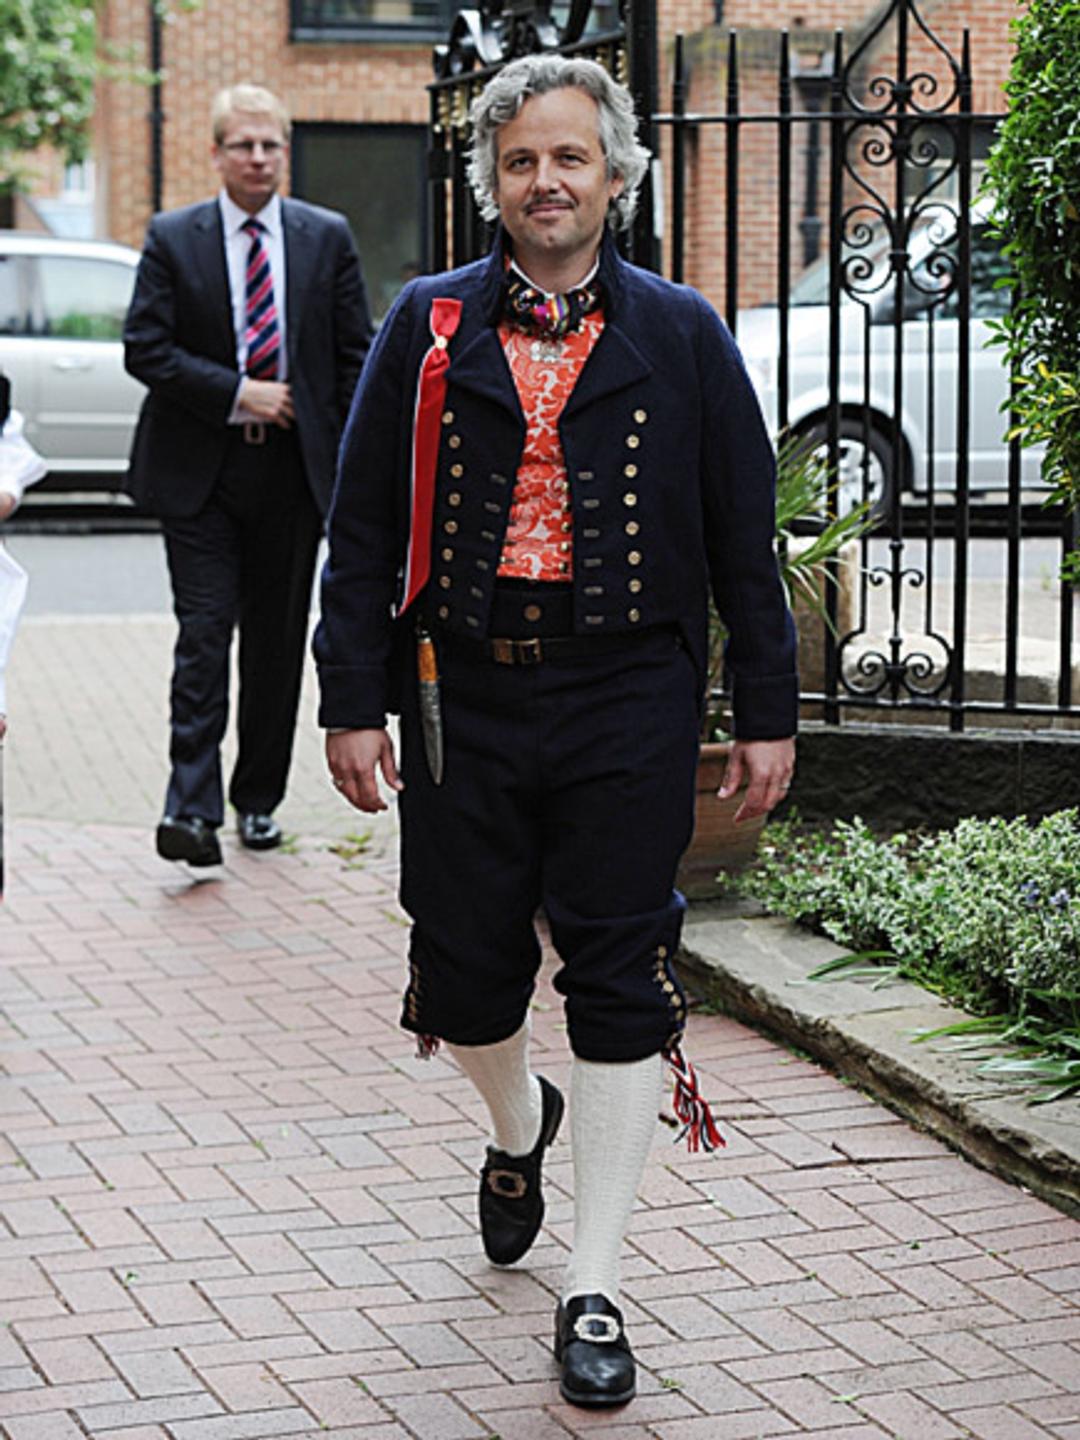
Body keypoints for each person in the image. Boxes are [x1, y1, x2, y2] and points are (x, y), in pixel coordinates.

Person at [315, 54, 797, 1408]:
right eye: (522, 160)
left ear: (616, 176)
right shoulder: (426, 323)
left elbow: (742, 536)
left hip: (629, 695)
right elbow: (362, 527)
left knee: (620, 971)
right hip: (459, 692)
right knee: (464, 970)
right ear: (493, 181)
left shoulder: (684, 332)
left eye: (570, 157)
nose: (547, 182)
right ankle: (520, 1119)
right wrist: (348, 699)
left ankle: (594, 1284)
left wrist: (767, 710)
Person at [124, 82, 373, 870]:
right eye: (243, 145)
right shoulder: (174, 237)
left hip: (292, 477)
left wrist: (350, 460)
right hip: (200, 474)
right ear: (217, 153)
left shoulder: (325, 237)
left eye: (270, 145)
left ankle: (257, 801)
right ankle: (189, 810)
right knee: (204, 637)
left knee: (275, 646)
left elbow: (355, 355)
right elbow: (144, 348)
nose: (258, 158)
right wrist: (238, 392)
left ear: (284, 152)